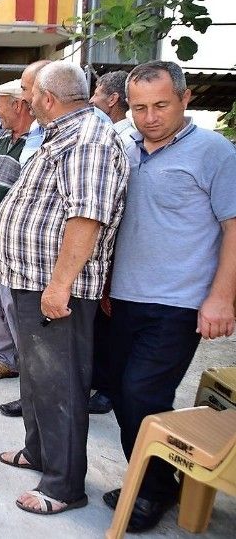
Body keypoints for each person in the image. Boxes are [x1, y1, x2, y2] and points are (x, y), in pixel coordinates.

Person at [103, 61, 236, 532]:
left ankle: (155, 489)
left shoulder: (214, 152)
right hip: (123, 295)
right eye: (139, 108)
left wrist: (222, 298)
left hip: (179, 302)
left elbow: (233, 227)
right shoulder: (124, 147)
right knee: (117, 389)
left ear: (185, 98)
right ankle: (153, 475)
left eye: (160, 105)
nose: (149, 117)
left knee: (143, 391)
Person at [0, 62, 128, 516]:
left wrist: (59, 286)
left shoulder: (88, 138)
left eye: (29, 91)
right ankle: (38, 452)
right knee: (37, 379)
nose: (25, 99)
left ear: (48, 98)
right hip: (34, 280)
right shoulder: (64, 132)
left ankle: (64, 484)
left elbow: (86, 216)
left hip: (56, 289)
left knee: (59, 385)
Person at [0, 81, 42, 382]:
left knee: (11, 298)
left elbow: (26, 194)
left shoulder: (36, 144)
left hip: (11, 227)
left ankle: (28, 366)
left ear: (18, 105)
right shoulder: (1, 140)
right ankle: (4, 358)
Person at [89, 70, 134, 147]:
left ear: (112, 99)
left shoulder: (127, 141)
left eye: (96, 94)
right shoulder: (108, 134)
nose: (90, 100)